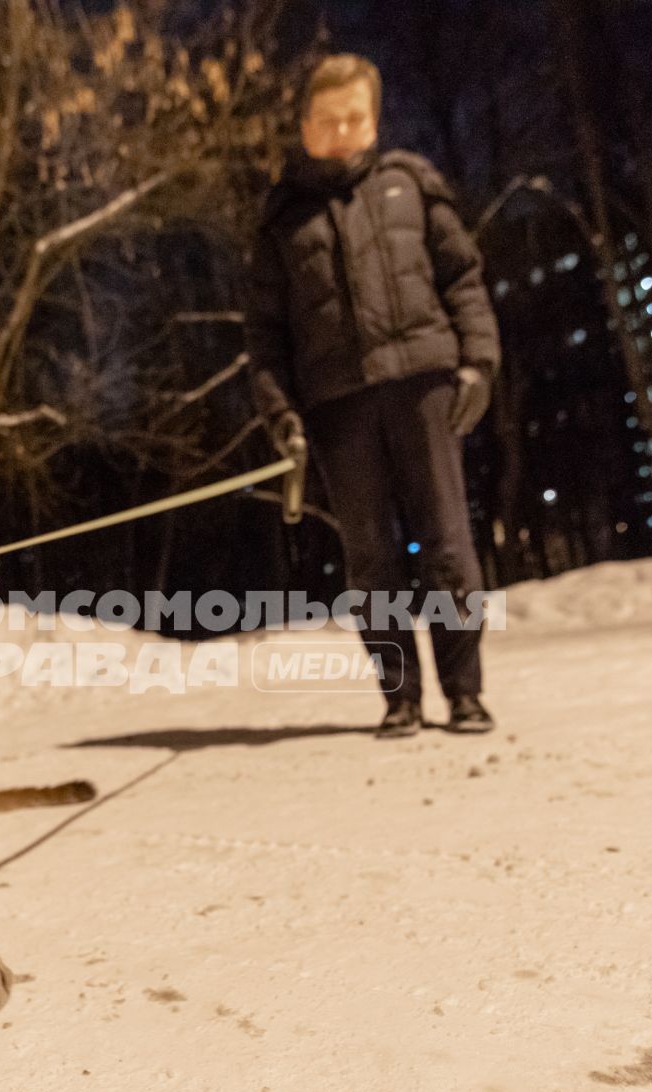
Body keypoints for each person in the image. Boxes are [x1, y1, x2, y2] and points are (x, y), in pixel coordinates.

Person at [247, 53, 500, 739]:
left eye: (354, 118)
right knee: (371, 559)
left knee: (448, 545)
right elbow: (266, 338)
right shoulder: (280, 221)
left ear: (373, 119)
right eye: (327, 121)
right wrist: (284, 417)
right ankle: (401, 698)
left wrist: (478, 362)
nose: (342, 132)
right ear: (304, 126)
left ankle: (465, 691)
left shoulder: (411, 182)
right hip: (337, 406)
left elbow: (463, 278)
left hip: (425, 386)